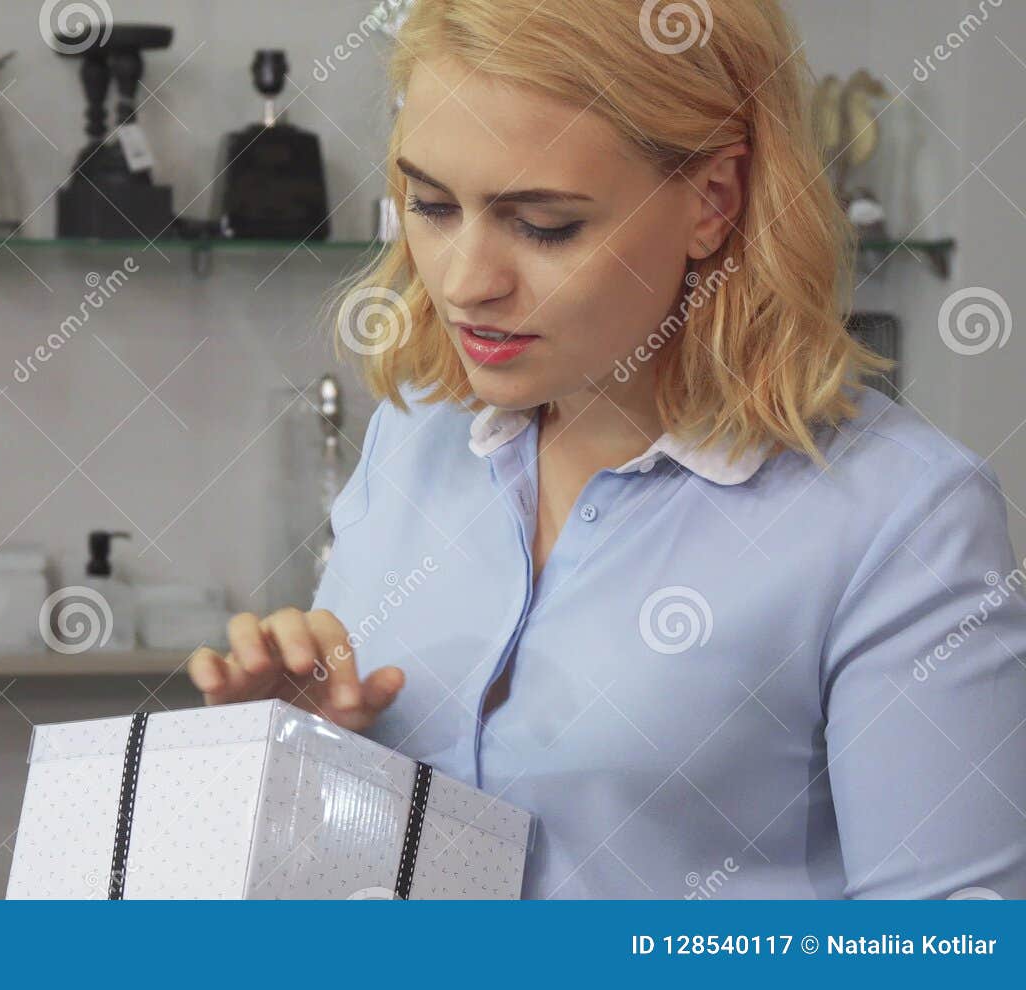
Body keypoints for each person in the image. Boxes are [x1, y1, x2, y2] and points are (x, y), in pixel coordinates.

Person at [188, 0, 1026, 899]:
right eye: (431, 207)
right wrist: (306, 753)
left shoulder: (903, 520)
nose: (466, 282)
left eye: (544, 226)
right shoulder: (416, 435)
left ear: (713, 201)